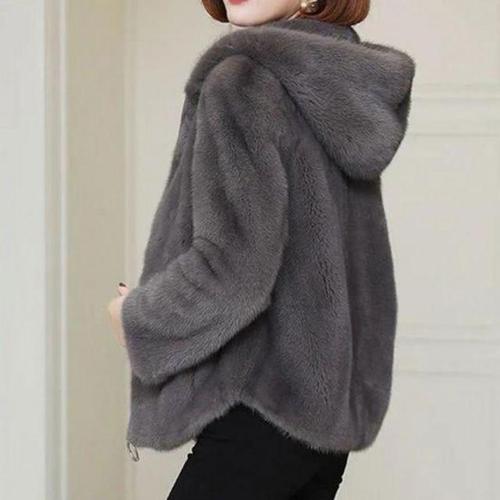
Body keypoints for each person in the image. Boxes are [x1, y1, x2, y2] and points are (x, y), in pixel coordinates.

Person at [107, 0, 416, 498]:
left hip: (260, 402)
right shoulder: (343, 83)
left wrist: (137, 318)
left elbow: (234, 271)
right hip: (322, 418)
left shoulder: (245, 82)